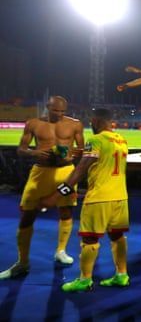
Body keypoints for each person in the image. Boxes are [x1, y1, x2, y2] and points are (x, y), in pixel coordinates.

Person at [39, 108, 130, 292]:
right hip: (120, 197)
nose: (90, 125)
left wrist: (57, 195)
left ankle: (84, 279)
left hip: (99, 198)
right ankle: (122, 275)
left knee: (89, 240)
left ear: (97, 121)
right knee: (117, 237)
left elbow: (80, 170)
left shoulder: (95, 140)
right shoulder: (122, 139)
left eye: (91, 122)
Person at [0, 96, 84, 280]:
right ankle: (22, 262)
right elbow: (21, 149)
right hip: (40, 172)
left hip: (65, 172)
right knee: (27, 214)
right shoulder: (33, 123)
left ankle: (61, 251)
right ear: (48, 107)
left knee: (66, 212)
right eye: (56, 111)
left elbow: (82, 150)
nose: (59, 114)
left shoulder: (75, 124)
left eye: (62, 111)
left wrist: (70, 158)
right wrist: (35, 152)